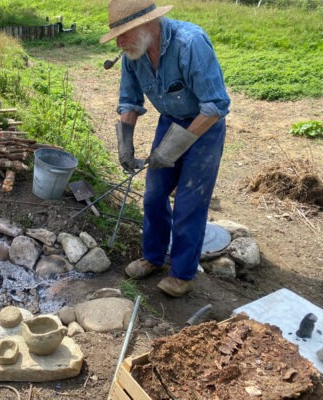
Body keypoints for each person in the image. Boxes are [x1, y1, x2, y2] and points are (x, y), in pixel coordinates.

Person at [100, 0, 231, 296]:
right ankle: (154, 258)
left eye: (124, 33)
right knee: (154, 195)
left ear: (148, 24)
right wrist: (125, 144)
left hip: (204, 127)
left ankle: (182, 274)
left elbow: (215, 106)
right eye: (116, 35)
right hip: (170, 122)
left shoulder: (190, 44)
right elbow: (129, 102)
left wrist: (173, 149)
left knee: (189, 203)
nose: (119, 43)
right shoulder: (132, 55)